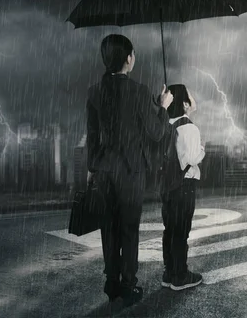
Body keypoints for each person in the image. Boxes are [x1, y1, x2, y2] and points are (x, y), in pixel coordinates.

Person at [86, 34, 174, 306]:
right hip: (131, 171)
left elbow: (91, 135)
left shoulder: (95, 91)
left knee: (108, 228)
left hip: (104, 171)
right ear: (128, 58)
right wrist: (163, 107)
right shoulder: (138, 91)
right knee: (129, 229)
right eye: (133, 54)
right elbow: (157, 132)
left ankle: (111, 282)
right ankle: (128, 284)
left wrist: (94, 165)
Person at [160, 84, 205, 291]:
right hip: (184, 184)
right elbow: (195, 157)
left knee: (170, 229)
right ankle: (180, 276)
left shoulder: (164, 124)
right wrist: (203, 149)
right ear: (186, 103)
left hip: (167, 185)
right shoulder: (190, 127)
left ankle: (169, 272)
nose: (194, 100)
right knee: (181, 231)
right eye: (191, 96)